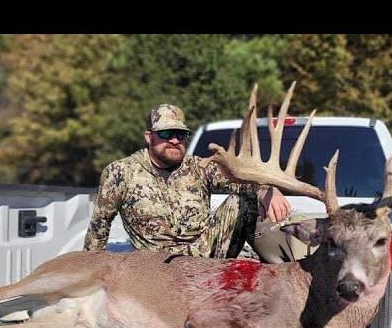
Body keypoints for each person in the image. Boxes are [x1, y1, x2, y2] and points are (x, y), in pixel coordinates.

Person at [83, 104, 291, 258]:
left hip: (204, 259)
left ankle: (283, 272)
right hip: (153, 268)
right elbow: (99, 228)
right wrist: (89, 277)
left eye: (181, 134)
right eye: (166, 133)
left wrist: (266, 189)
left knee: (244, 200)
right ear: (149, 137)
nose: (174, 140)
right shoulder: (120, 172)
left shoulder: (199, 166)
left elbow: (241, 182)